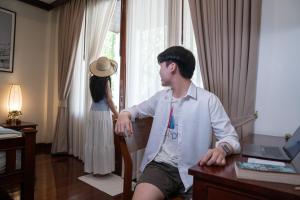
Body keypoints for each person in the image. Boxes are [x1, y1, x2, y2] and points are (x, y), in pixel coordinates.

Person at [115, 46, 241, 200]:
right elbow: (136, 110)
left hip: (196, 169)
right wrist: (124, 113)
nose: (159, 71)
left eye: (161, 66)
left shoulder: (208, 100)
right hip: (160, 168)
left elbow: (231, 138)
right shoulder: (160, 98)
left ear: (172, 67)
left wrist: (222, 149)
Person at [84, 57, 119, 175]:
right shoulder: (106, 81)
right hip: (103, 115)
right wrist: (117, 114)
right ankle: (103, 169)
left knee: (94, 140)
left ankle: (93, 168)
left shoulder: (92, 80)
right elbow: (109, 100)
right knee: (103, 141)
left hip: (93, 113)